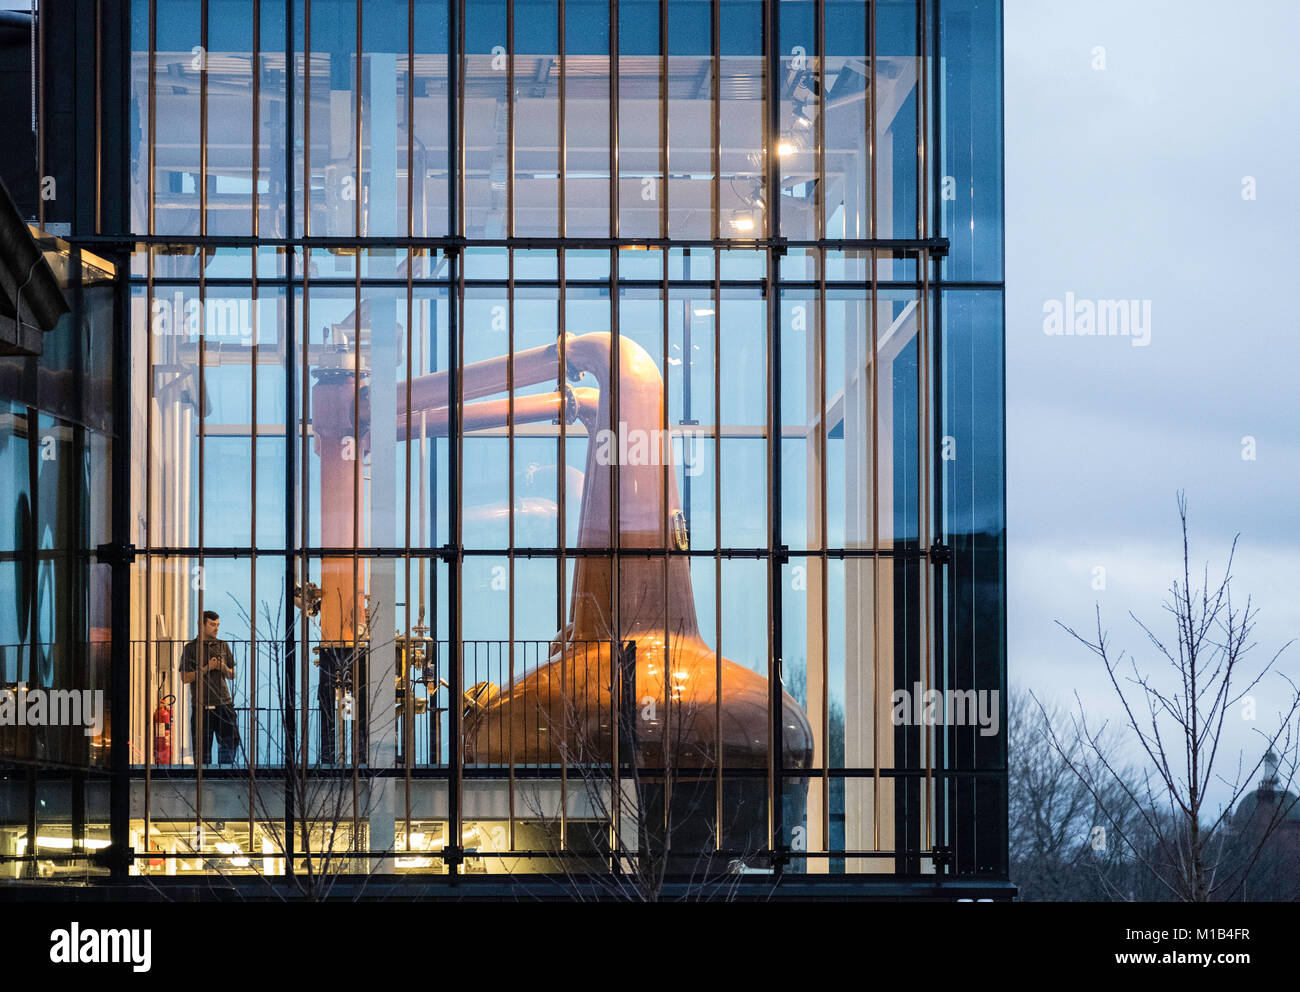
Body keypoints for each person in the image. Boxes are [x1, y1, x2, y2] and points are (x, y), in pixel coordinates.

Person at [180, 610, 241, 766]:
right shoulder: (191, 649)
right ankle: (204, 781)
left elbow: (232, 674)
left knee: (230, 744)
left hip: (224, 704)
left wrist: (222, 667)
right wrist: (207, 668)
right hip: (202, 706)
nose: (216, 628)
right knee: (202, 751)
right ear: (202, 625)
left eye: (217, 625)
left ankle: (225, 776)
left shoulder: (223, 645)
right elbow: (185, 677)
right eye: (212, 624)